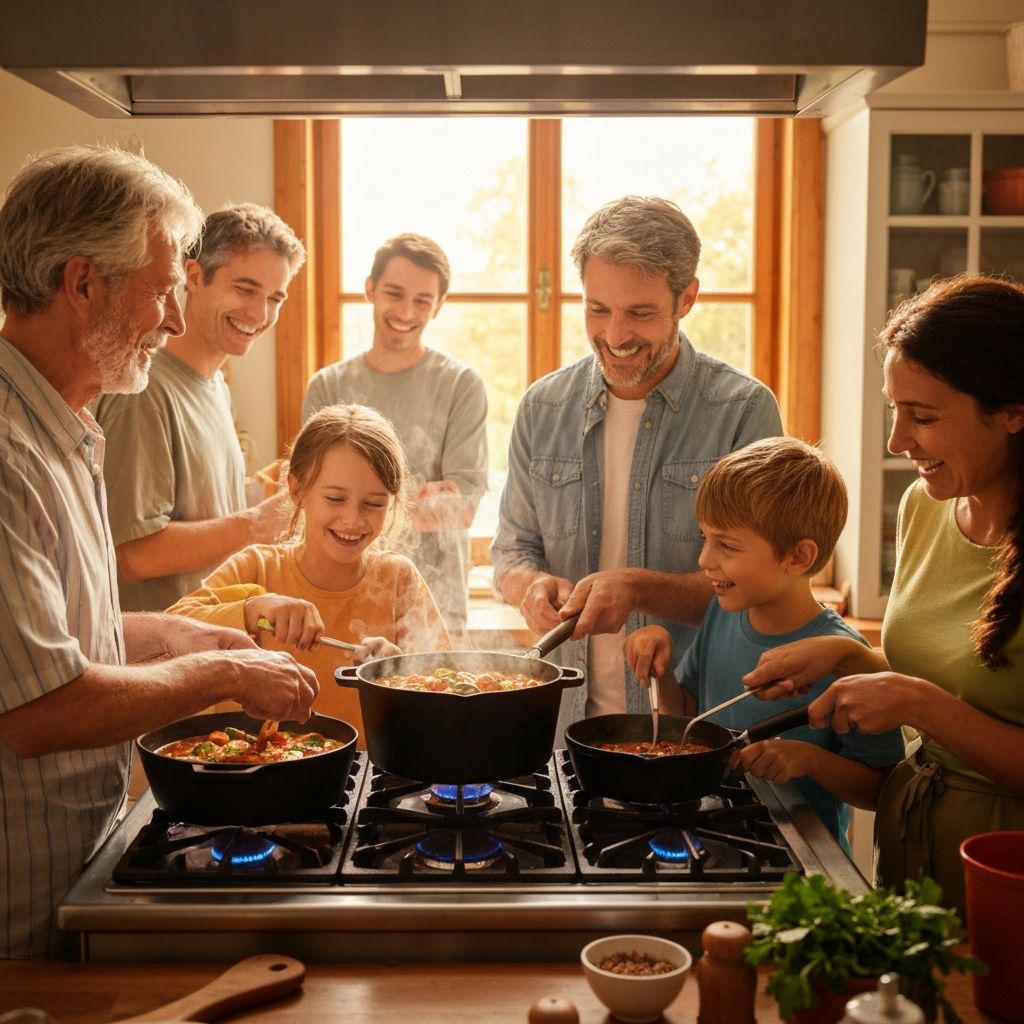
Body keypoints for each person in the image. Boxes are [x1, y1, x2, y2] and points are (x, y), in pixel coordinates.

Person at [0, 145, 318, 960]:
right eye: (164, 292)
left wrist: (174, 638)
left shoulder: (65, 429)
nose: (176, 320)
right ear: (82, 285)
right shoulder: (6, 454)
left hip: (73, 861)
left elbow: (56, 642)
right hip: (15, 906)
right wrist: (220, 674)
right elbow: (38, 711)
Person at [743, 275, 1024, 913]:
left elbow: (937, 702)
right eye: (894, 409)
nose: (898, 440)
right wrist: (847, 659)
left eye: (923, 416)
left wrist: (913, 702)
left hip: (1007, 869)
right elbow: (961, 678)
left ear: (1013, 411)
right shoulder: (925, 507)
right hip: (913, 847)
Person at [490, 195, 784, 728]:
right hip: (562, 727)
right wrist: (529, 588)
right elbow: (512, 550)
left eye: (641, 313)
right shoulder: (543, 406)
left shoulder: (743, 411)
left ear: (687, 298)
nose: (616, 335)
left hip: (691, 728)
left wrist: (637, 589)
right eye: (597, 309)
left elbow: (762, 584)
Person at [625, 438, 905, 853]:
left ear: (797, 558)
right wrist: (660, 672)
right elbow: (686, 718)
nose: (704, 559)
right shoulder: (723, 613)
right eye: (705, 538)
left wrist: (807, 761)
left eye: (726, 545)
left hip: (802, 861)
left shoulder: (844, 658)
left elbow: (883, 791)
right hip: (717, 840)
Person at [167, 403, 451, 736]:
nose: (353, 520)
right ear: (297, 489)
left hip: (366, 774)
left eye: (373, 504)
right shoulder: (256, 568)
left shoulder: (398, 578)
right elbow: (170, 633)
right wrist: (252, 609)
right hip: (255, 769)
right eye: (335, 498)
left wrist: (399, 673)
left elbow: (442, 689)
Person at [94, 202, 307, 613]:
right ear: (193, 276)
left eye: (275, 298)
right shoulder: (144, 390)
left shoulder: (216, 386)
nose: (259, 314)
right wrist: (258, 523)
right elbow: (135, 554)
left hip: (206, 644)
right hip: (156, 659)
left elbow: (203, 513)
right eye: (245, 289)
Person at [302, 233, 488, 642]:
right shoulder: (327, 387)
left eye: (423, 300)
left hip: (436, 607)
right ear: (370, 289)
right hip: (340, 599)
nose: (406, 311)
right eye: (394, 293)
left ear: (438, 305)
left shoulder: (461, 386)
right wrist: (422, 496)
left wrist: (356, 502)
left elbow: (464, 507)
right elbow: (312, 503)